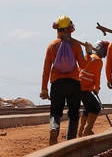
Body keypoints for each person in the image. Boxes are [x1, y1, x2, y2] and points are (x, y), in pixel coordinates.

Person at [41, 15, 89, 144]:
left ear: (58, 30)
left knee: (55, 112)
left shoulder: (52, 46)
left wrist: (44, 88)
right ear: (70, 29)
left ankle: (54, 127)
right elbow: (83, 65)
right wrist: (88, 52)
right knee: (73, 113)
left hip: (57, 83)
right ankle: (71, 140)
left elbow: (46, 69)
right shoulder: (76, 46)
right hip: (74, 83)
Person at [77, 40, 107, 137]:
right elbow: (97, 76)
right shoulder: (98, 60)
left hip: (78, 86)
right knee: (95, 107)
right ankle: (87, 130)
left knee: (88, 108)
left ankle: (80, 132)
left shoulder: (90, 57)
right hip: (84, 88)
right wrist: (96, 88)